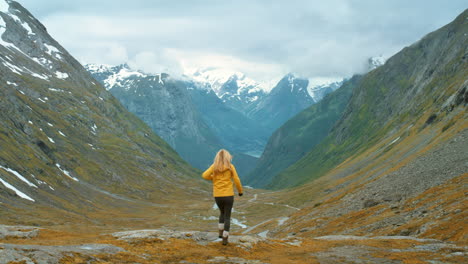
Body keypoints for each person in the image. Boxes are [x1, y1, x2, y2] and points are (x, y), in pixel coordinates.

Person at [202, 149, 243, 245]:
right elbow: (236, 180)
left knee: (222, 213)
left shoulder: (214, 167)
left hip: (218, 195)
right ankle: (225, 238)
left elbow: (204, 175)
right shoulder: (230, 167)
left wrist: (213, 178)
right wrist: (240, 191)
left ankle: (220, 233)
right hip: (228, 195)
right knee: (227, 217)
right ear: (227, 157)